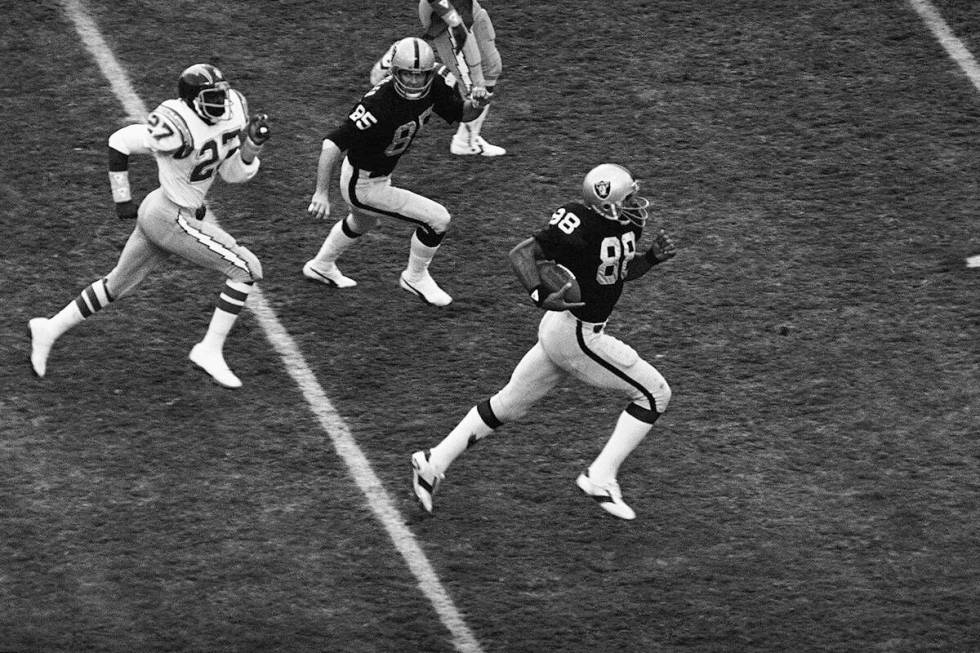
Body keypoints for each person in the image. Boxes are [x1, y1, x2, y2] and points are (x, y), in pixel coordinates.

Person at [411, 163, 678, 520]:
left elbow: (615, 273)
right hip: (578, 333)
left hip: (564, 330)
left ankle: (433, 462)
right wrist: (539, 294)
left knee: (506, 405)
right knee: (654, 393)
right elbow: (522, 254)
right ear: (607, 202)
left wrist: (650, 260)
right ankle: (599, 478)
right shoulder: (577, 221)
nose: (636, 201)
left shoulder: (629, 223)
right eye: (629, 195)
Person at [28, 64, 271, 389]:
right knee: (246, 268)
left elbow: (230, 174)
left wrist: (251, 147)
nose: (221, 102)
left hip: (165, 211)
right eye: (212, 97)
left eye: (222, 94)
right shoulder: (175, 124)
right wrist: (121, 198)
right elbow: (120, 141)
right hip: (173, 216)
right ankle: (209, 350)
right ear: (191, 101)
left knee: (116, 285)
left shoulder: (233, 112)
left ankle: (48, 329)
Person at [305, 36, 489, 306]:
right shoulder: (377, 104)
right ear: (394, 72)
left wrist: (478, 104)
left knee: (362, 222)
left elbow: (461, 114)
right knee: (438, 219)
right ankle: (414, 277)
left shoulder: (434, 85)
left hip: (375, 175)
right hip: (363, 184)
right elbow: (332, 144)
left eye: (420, 75)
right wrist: (321, 192)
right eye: (407, 74)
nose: (415, 81)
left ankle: (320, 265)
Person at [370, 0, 505, 157]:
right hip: (442, 14)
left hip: (465, 4)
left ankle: (467, 138)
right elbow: (457, 27)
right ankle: (401, 57)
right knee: (472, 82)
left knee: (492, 66)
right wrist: (478, 81)